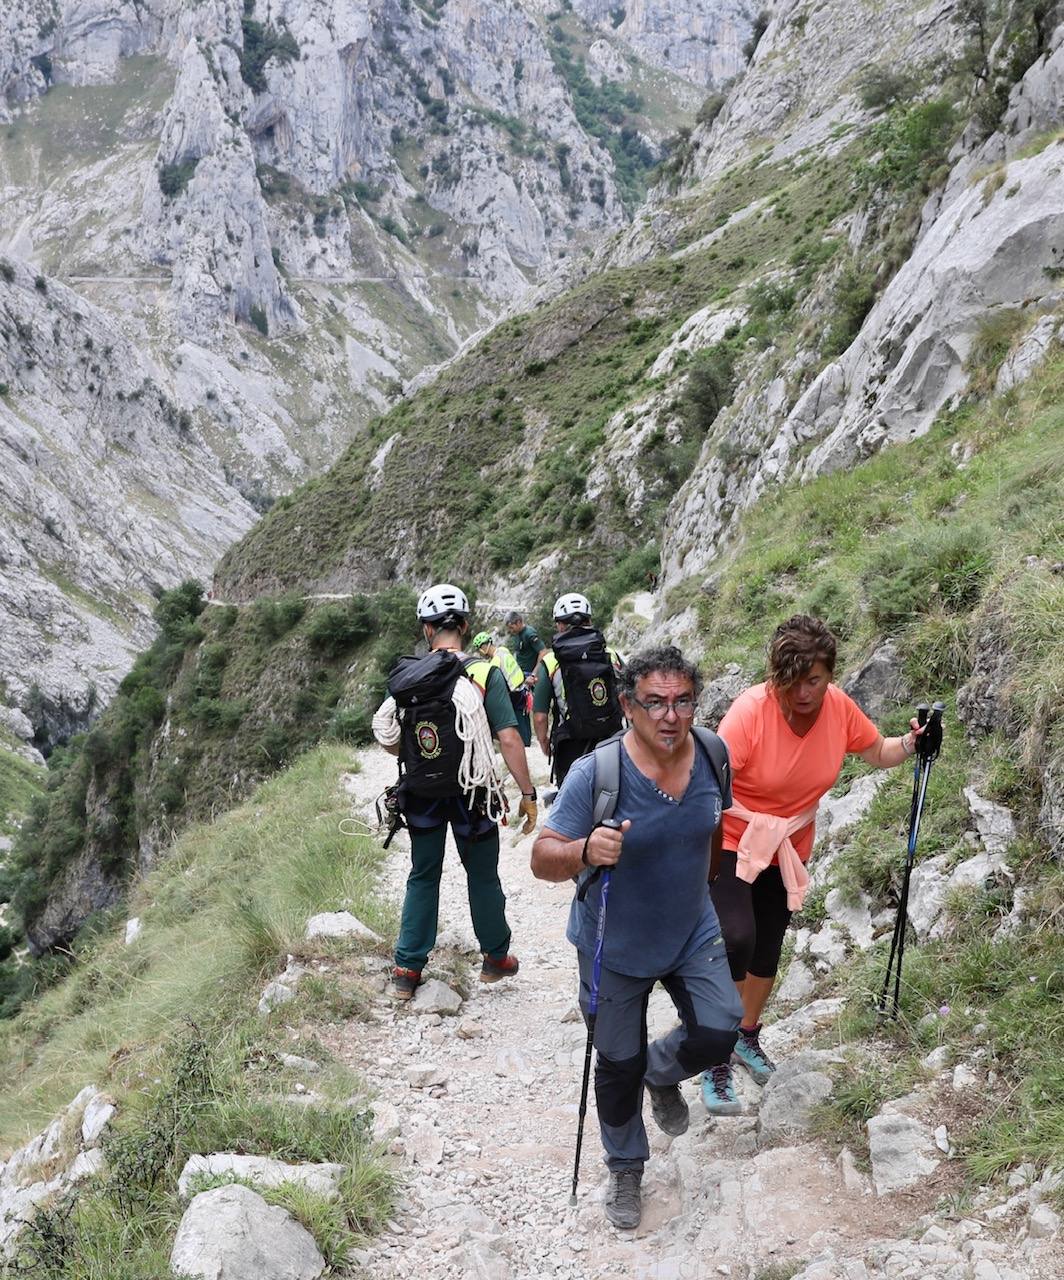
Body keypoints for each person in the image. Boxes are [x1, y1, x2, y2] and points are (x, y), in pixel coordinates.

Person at [531, 647, 742, 1230]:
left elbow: (711, 827)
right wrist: (583, 850)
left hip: (688, 929)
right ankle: (626, 1166)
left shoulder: (711, 754)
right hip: (612, 942)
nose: (670, 716)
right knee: (615, 1064)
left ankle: (662, 1070)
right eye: (655, 703)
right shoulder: (596, 775)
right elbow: (541, 857)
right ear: (628, 705)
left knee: (722, 1028)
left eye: (682, 702)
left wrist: (709, 892)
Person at [702, 613, 929, 1115]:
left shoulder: (839, 709)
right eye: (792, 679)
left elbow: (878, 750)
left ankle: (746, 1035)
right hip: (732, 838)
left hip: (788, 844)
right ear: (776, 674)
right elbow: (708, 785)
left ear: (829, 674)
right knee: (736, 937)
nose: (804, 691)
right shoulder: (749, 714)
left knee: (767, 946)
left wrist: (912, 743)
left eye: (814, 679)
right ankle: (714, 1056)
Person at [372, 584, 538, 1001]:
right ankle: (496, 957)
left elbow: (392, 734)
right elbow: (509, 738)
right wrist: (527, 792)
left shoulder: (410, 676)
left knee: (423, 874)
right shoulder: (484, 672)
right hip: (475, 790)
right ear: (465, 625)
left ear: (427, 629)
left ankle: (407, 969)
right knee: (482, 874)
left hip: (424, 790)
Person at [532, 592, 625, 786]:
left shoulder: (550, 662)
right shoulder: (610, 655)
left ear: (560, 624)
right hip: (611, 739)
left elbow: (540, 716)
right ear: (589, 621)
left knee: (572, 805)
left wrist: (544, 742)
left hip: (570, 745)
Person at [472, 631, 532, 747]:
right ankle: (527, 744)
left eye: (480, 648)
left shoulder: (494, 663)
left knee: (517, 726)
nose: (480, 652)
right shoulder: (503, 650)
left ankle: (524, 748)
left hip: (514, 695)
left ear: (483, 647)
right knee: (525, 723)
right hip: (522, 689)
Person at [504, 610, 547, 685]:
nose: (511, 630)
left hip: (529, 675)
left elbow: (543, 652)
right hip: (520, 674)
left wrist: (534, 674)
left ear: (519, 622)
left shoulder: (529, 633)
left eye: (512, 627)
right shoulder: (517, 633)